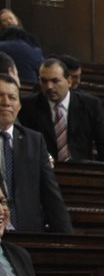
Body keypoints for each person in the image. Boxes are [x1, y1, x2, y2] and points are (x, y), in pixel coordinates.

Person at [0, 74, 71, 233]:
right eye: (0, 96)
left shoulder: (34, 140)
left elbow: (50, 194)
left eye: (12, 97)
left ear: (19, 106)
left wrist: (68, 241)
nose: (6, 103)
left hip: (27, 232)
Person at [21, 58, 104, 163]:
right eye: (44, 81)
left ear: (69, 81)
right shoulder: (28, 106)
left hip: (80, 170)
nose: (49, 86)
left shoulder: (90, 104)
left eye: (55, 81)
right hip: (43, 170)